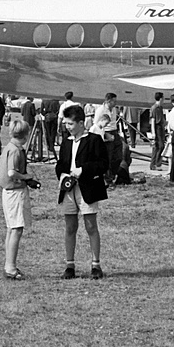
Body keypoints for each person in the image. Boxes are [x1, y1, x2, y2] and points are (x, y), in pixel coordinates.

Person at [56, 105, 109, 279]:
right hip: (69, 189)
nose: (67, 127)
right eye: (66, 124)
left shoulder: (94, 140)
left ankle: (95, 265)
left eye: (70, 124)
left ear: (81, 123)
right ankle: (69, 265)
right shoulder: (66, 141)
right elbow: (61, 163)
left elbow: (103, 164)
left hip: (87, 189)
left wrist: (83, 170)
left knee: (91, 225)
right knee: (70, 227)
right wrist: (62, 174)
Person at [0, 120, 37, 280]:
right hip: (15, 191)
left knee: (11, 228)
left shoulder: (9, 146)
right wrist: (26, 177)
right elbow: (12, 172)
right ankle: (11, 267)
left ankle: (9, 263)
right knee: (17, 228)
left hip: (7, 191)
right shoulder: (15, 150)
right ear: (26, 135)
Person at [92, 92, 121, 183]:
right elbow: (96, 124)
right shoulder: (100, 110)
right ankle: (108, 178)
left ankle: (113, 173)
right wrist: (105, 134)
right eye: (114, 101)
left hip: (114, 132)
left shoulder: (114, 109)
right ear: (108, 101)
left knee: (119, 154)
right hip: (106, 132)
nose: (115, 103)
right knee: (108, 156)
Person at [149, 92, 166, 171]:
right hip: (157, 128)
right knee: (159, 146)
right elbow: (152, 120)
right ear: (161, 98)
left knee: (160, 146)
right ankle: (155, 163)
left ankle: (156, 163)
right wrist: (153, 132)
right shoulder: (154, 108)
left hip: (161, 127)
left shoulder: (160, 107)